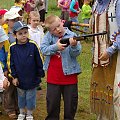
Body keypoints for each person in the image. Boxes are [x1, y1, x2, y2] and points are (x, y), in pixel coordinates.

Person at [40, 15, 82, 120]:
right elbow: (43, 49)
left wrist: (74, 45)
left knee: (70, 104)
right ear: (50, 31)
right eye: (54, 29)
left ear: (62, 22)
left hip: (70, 77)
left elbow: (76, 54)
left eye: (59, 26)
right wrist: (56, 47)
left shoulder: (72, 35)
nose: (58, 29)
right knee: (52, 103)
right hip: (53, 77)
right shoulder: (48, 36)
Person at [8, 21, 45, 120]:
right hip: (19, 78)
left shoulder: (33, 45)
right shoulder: (12, 48)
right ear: (14, 35)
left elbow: (40, 59)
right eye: (20, 33)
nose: (23, 35)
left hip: (32, 76)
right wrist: (14, 76)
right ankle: (22, 112)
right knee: (21, 95)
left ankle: (29, 113)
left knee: (30, 96)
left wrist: (40, 74)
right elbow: (10, 63)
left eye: (25, 32)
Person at [90, 0, 119, 120]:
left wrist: (111, 50)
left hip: (116, 57)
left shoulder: (116, 4)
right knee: (101, 88)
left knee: (116, 93)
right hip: (99, 57)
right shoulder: (96, 4)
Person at [2, 10, 22, 119]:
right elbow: (2, 52)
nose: (15, 22)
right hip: (8, 64)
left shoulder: (21, 32)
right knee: (9, 88)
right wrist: (4, 67)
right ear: (8, 21)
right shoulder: (4, 34)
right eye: (13, 20)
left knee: (18, 86)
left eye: (17, 19)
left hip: (19, 65)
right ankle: (9, 108)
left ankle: (19, 107)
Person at [28, 11, 44, 90]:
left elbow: (42, 38)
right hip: (31, 51)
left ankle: (38, 80)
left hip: (40, 50)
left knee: (39, 65)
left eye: (37, 20)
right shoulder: (28, 30)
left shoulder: (40, 29)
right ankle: (33, 81)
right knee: (31, 66)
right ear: (30, 20)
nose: (36, 22)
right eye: (34, 20)